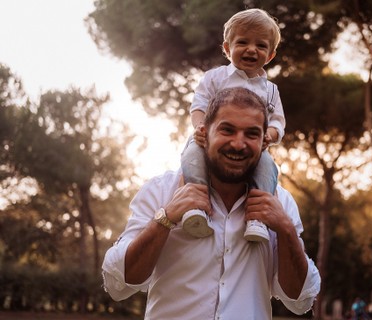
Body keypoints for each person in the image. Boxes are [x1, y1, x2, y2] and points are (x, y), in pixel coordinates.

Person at [102, 87, 321, 319]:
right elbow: (120, 283)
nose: (239, 144)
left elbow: (299, 300)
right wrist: (165, 219)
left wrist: (285, 229)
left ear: (264, 141)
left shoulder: (281, 203)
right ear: (204, 133)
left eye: (252, 134)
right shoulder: (161, 190)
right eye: (227, 130)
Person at [181, 8, 286, 243]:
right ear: (227, 48)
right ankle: (196, 206)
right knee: (191, 157)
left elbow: (278, 121)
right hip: (207, 141)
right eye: (243, 42)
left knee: (268, 167)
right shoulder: (215, 78)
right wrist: (201, 128)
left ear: (269, 55)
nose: (251, 49)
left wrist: (269, 134)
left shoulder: (271, 91)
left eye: (261, 45)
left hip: (253, 150)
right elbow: (198, 106)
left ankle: (256, 218)